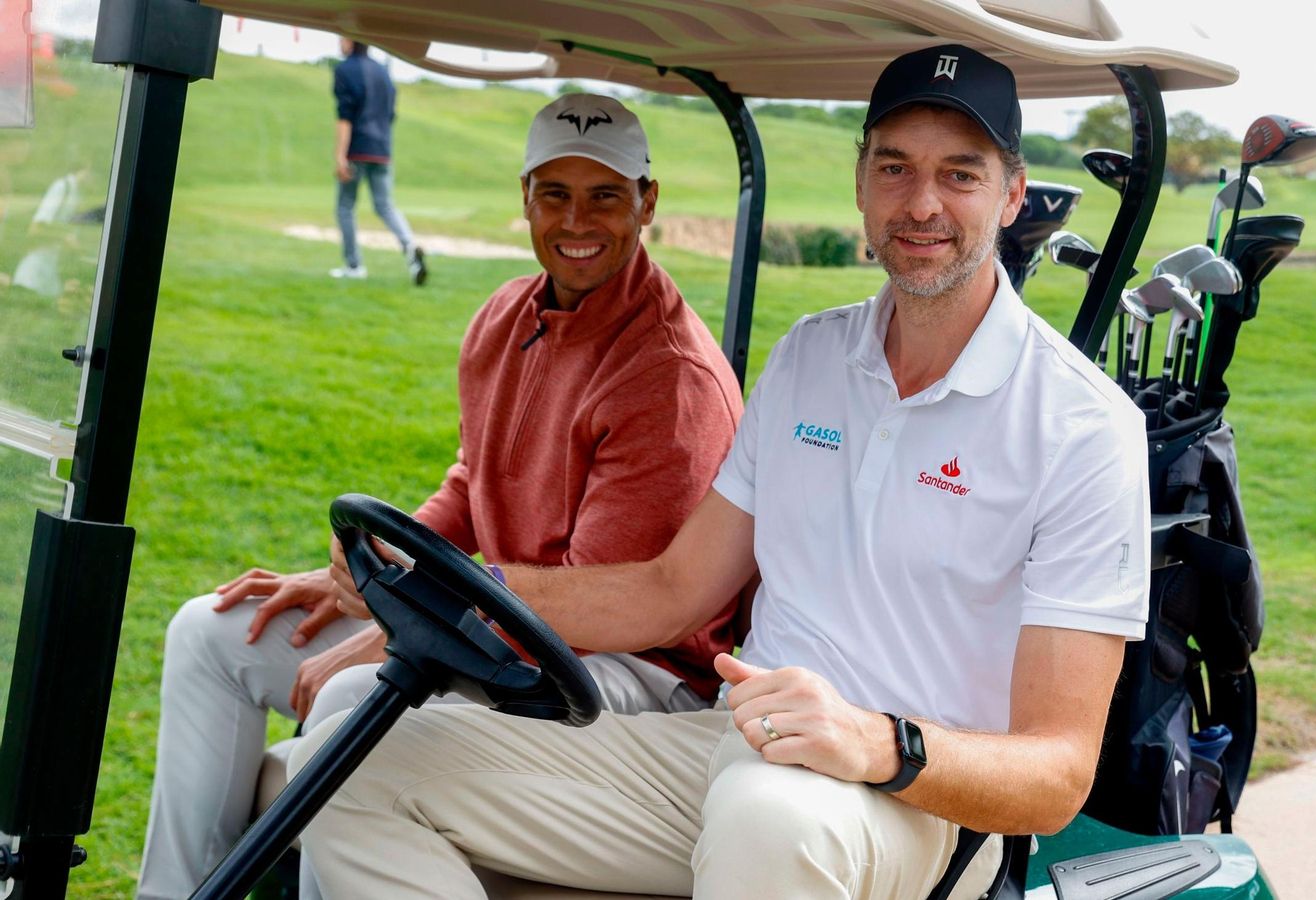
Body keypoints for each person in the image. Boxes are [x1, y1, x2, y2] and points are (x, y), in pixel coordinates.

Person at [297, 44, 1152, 900]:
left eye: (959, 175)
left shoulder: (1081, 426)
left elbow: (1056, 774)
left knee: (768, 816)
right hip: (734, 743)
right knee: (350, 771)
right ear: (861, 183)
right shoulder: (812, 356)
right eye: (895, 167)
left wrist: (875, 741)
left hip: (919, 800)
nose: (921, 203)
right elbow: (670, 589)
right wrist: (457, 588)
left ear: (1010, 194)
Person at [136, 94, 745, 900]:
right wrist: (376, 570)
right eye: (555, 193)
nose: (578, 220)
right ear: (524, 195)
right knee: (211, 632)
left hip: (628, 672)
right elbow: (474, 476)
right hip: (502, 616)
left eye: (605, 195)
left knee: (357, 696)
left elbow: (594, 608)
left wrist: (396, 637)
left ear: (647, 203)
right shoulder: (504, 317)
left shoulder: (667, 380)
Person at [329, 38, 426, 284]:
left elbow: (345, 117)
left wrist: (340, 156)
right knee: (385, 206)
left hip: (357, 150)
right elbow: (391, 114)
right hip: (382, 149)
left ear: (350, 40)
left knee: (345, 207)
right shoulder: (383, 72)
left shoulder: (344, 70)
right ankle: (410, 247)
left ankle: (354, 266)